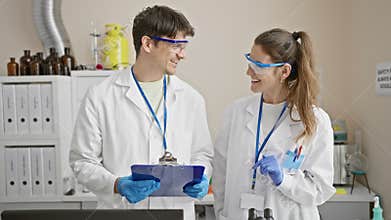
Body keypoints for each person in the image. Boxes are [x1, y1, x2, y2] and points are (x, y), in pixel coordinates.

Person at [69, 5, 213, 220]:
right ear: (147, 43)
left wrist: (202, 178)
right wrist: (117, 185)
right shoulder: (101, 96)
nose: (182, 55)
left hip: (175, 212)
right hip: (123, 213)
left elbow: (202, 154)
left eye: (184, 46)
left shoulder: (190, 98)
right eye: (177, 46)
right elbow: (82, 162)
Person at [212, 28, 335, 220]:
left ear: (284, 71)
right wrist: (222, 214)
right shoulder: (235, 112)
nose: (248, 71)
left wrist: (283, 179)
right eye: (249, 61)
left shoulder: (315, 120)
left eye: (258, 65)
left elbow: (320, 190)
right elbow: (220, 174)